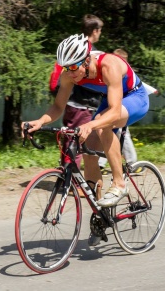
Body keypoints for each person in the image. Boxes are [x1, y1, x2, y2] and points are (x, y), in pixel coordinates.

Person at [22, 34, 149, 245]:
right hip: (111, 101)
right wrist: (40, 121)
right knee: (89, 151)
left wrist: (90, 124)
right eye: (65, 68)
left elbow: (115, 110)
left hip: (135, 98)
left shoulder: (109, 65)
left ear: (86, 60)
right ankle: (100, 212)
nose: (69, 73)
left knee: (100, 125)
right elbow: (58, 107)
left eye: (73, 67)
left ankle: (119, 183)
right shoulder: (68, 73)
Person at [49, 14, 104, 198]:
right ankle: (70, 182)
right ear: (94, 31)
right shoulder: (88, 52)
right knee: (79, 144)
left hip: (72, 104)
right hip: (83, 105)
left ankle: (67, 180)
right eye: (99, 30)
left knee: (72, 143)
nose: (100, 34)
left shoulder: (75, 49)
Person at [98, 48, 142, 174]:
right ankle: (130, 162)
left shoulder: (126, 73)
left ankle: (130, 163)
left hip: (123, 108)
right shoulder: (110, 71)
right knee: (105, 132)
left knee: (120, 134)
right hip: (112, 108)